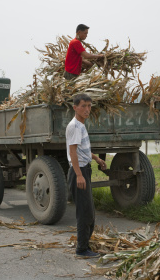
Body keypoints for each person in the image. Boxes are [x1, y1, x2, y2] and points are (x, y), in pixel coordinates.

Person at [66, 93, 107, 258]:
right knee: (84, 213)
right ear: (75, 107)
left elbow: (82, 150)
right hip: (79, 172)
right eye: (83, 106)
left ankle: (85, 246)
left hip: (84, 170)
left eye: (89, 106)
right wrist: (79, 175)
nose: (87, 109)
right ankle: (82, 250)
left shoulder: (81, 125)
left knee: (89, 212)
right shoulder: (75, 126)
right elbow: (73, 152)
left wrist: (96, 158)